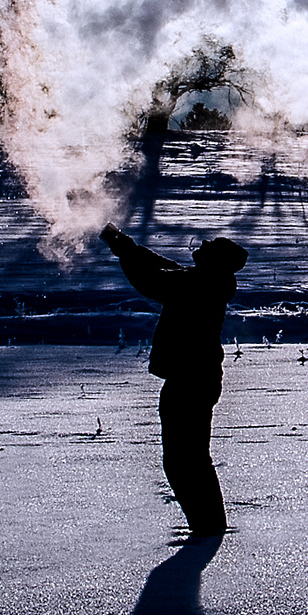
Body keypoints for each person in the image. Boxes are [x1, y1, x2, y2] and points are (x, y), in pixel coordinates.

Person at [100, 223, 248, 538]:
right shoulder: (206, 280)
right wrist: (127, 246)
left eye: (210, 246)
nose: (203, 244)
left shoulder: (199, 283)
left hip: (189, 380)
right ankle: (208, 526)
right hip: (195, 378)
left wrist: (124, 251)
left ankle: (207, 528)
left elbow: (151, 280)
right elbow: (164, 267)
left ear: (214, 260)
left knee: (184, 461)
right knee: (190, 459)